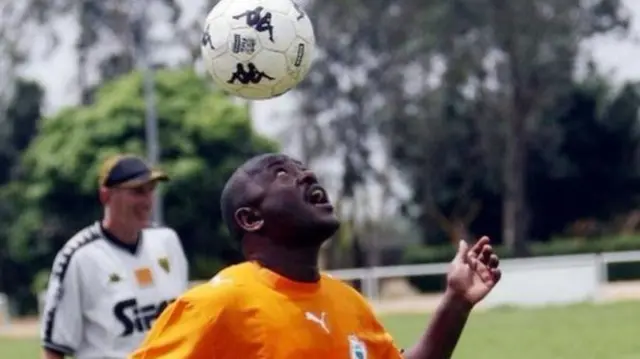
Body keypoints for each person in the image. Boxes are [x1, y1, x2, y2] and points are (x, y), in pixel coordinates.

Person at [130, 153, 502, 359]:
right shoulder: (218, 305)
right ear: (251, 218)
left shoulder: (348, 302)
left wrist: (455, 303)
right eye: (281, 174)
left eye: (302, 168)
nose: (306, 175)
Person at [40, 154, 189, 359]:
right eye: (137, 191)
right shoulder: (80, 256)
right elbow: (54, 348)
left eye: (151, 190)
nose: (147, 201)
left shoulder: (167, 241)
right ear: (106, 195)